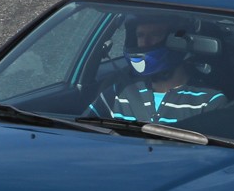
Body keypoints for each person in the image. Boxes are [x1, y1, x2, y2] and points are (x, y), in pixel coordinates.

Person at [88, 17, 226, 123]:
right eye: (140, 35)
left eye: (155, 34)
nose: (145, 42)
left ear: (178, 41)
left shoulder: (209, 102)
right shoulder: (118, 92)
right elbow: (81, 135)